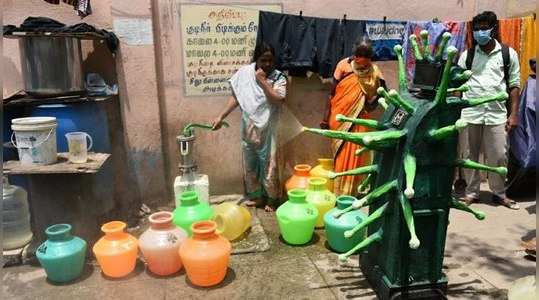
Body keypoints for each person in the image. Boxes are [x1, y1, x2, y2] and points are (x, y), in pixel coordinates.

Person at [212, 43, 287, 212]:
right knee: (250, 162)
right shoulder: (244, 74)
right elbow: (236, 97)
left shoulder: (278, 77)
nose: (267, 64)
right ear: (256, 60)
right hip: (249, 125)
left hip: (270, 127)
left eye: (270, 60)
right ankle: (257, 196)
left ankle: (272, 199)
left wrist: (262, 82)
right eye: (263, 60)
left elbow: (279, 100)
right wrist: (221, 116)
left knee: (270, 165)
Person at [457, 11, 521, 209]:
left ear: (493, 29)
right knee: (468, 155)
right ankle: (471, 192)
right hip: (470, 112)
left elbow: (514, 86)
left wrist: (513, 113)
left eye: (483, 28)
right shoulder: (466, 56)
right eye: (476, 29)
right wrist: (456, 113)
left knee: (499, 155)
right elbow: (458, 86)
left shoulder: (507, 54)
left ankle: (499, 193)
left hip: (496, 113)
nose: (479, 32)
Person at [320, 39, 386, 196]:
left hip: (359, 118)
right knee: (341, 153)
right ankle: (338, 191)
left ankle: (350, 193)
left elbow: (382, 93)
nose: (359, 58)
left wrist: (370, 105)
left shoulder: (374, 71)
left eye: (364, 55)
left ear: (370, 57)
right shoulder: (343, 65)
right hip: (339, 116)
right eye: (358, 54)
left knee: (356, 154)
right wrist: (325, 117)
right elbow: (332, 93)